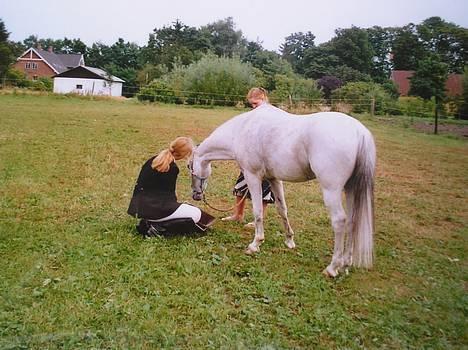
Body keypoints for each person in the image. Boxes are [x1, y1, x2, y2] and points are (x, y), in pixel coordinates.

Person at [128, 136, 214, 237]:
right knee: (197, 214)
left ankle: (151, 223)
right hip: (156, 209)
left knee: (187, 209)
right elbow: (169, 196)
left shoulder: (153, 159)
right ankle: (158, 228)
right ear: (184, 154)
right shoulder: (172, 167)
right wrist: (177, 206)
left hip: (140, 208)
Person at [222, 88, 275, 228]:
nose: (253, 107)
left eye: (255, 103)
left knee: (264, 190)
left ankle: (259, 219)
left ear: (263, 98)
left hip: (265, 160)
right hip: (250, 158)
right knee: (241, 186)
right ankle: (238, 215)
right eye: (251, 104)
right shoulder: (254, 115)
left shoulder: (271, 114)